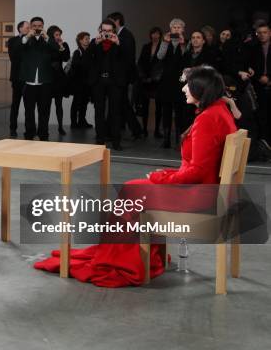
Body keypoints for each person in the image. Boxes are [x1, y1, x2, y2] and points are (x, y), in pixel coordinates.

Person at [35, 66, 237, 287]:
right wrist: (166, 175)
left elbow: (197, 171)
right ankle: (139, 256)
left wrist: (162, 178)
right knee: (135, 188)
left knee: (132, 190)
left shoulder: (207, 119)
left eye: (187, 84)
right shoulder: (219, 111)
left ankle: (123, 262)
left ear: (201, 88)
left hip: (200, 197)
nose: (183, 88)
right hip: (212, 192)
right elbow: (201, 167)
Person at [84, 19, 127, 151]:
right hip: (98, 82)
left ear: (114, 31)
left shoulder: (119, 43)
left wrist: (118, 44)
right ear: (100, 30)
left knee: (115, 112)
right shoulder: (94, 42)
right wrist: (94, 44)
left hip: (114, 82)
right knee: (99, 111)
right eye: (104, 30)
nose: (106, 33)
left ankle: (116, 141)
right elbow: (85, 60)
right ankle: (100, 139)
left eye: (109, 31)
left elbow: (127, 60)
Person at [19, 16, 58, 141]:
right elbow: (18, 49)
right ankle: (29, 133)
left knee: (44, 112)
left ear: (43, 27)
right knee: (29, 112)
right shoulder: (25, 40)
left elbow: (57, 51)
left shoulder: (47, 40)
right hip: (29, 83)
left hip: (45, 82)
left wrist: (47, 37)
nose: (37, 28)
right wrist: (28, 36)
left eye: (39, 26)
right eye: (34, 26)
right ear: (30, 27)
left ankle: (43, 134)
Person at [107, 12, 143, 139]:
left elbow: (128, 58)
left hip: (123, 77)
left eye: (111, 22)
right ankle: (136, 130)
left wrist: (124, 77)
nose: (109, 25)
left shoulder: (126, 35)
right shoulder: (122, 34)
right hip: (120, 76)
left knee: (121, 104)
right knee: (122, 103)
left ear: (117, 21)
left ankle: (135, 130)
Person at [157, 18, 188, 148]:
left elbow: (186, 58)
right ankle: (166, 138)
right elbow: (159, 56)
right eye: (174, 27)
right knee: (166, 110)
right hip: (167, 80)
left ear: (183, 30)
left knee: (180, 110)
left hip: (180, 81)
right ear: (170, 29)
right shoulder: (165, 41)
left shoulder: (187, 42)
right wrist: (164, 42)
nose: (176, 29)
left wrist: (182, 44)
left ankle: (180, 138)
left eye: (179, 27)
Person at [136, 27, 163, 138]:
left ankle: (157, 130)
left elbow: (162, 65)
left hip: (157, 81)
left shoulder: (164, 47)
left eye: (157, 33)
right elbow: (140, 62)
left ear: (160, 35)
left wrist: (156, 77)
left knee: (159, 107)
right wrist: (142, 76)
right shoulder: (146, 46)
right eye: (153, 33)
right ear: (150, 35)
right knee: (145, 105)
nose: (155, 35)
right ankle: (144, 129)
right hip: (146, 80)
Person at [247, 22, 271, 144]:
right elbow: (250, 67)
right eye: (259, 33)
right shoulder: (253, 49)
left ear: (270, 33)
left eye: (265, 32)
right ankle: (263, 143)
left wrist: (269, 79)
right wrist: (258, 77)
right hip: (259, 86)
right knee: (261, 116)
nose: (262, 35)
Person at [46, 25, 71, 135]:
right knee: (45, 105)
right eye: (56, 35)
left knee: (59, 104)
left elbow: (66, 57)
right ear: (51, 35)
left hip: (59, 78)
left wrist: (60, 45)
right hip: (48, 77)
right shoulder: (46, 45)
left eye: (59, 34)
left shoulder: (63, 45)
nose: (58, 36)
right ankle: (44, 127)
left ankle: (60, 127)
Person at [7, 21, 29, 137]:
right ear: (20, 29)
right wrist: (24, 40)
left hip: (29, 78)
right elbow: (14, 56)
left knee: (28, 105)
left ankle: (29, 129)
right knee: (15, 104)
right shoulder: (13, 41)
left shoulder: (32, 40)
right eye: (27, 27)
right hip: (17, 77)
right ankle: (13, 128)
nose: (29, 29)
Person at [69, 32, 92, 129]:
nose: (88, 40)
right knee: (76, 103)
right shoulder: (78, 52)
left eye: (88, 38)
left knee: (84, 103)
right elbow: (76, 66)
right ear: (80, 40)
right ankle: (74, 123)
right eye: (86, 38)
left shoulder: (89, 52)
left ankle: (82, 121)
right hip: (78, 83)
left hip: (87, 83)